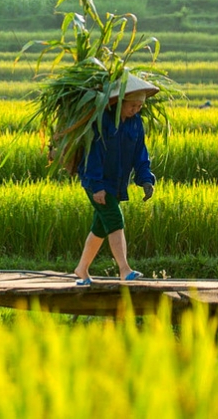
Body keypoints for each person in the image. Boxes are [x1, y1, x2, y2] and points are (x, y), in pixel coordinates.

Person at [74, 74, 158, 286]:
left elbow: (140, 153)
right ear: (120, 102)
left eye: (140, 106)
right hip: (97, 183)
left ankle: (81, 269)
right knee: (115, 219)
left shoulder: (136, 124)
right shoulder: (102, 121)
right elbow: (92, 155)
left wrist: (146, 179)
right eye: (133, 105)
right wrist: (97, 186)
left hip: (117, 183)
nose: (136, 110)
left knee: (101, 227)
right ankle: (125, 269)